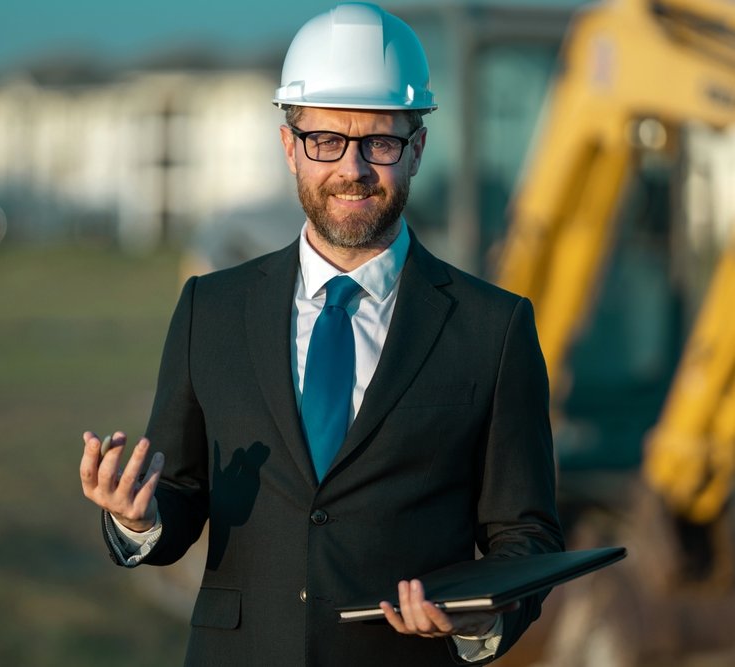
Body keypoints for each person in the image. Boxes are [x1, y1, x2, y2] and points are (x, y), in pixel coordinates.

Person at [79, 3, 563, 665]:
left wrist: (471, 621)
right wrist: (139, 516)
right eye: (326, 140)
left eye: (380, 142)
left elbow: (525, 537)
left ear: (417, 148)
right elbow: (182, 495)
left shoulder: (493, 329)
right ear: (290, 147)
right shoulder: (210, 309)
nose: (353, 167)